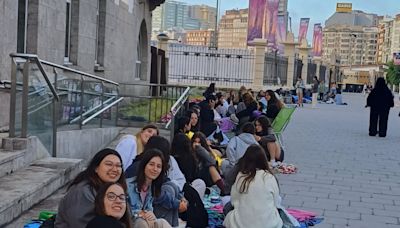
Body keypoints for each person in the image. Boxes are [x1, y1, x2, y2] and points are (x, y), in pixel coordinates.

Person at [56, 149, 127, 228]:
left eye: (118, 166)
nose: (114, 169)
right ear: (96, 168)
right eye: (109, 164)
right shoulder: (82, 191)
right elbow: (81, 224)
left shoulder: (117, 190)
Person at [223, 145, 283, 228]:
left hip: (241, 224)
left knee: (227, 206)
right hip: (269, 224)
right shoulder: (269, 177)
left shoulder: (241, 176)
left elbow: (234, 201)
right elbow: (276, 201)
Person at [126, 149, 171, 228]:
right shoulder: (128, 185)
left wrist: (150, 215)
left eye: (158, 166)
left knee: (161, 222)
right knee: (141, 222)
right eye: (151, 164)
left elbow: (149, 210)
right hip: (130, 222)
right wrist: (140, 214)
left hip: (144, 221)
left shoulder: (151, 188)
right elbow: (125, 212)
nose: (155, 169)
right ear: (144, 165)